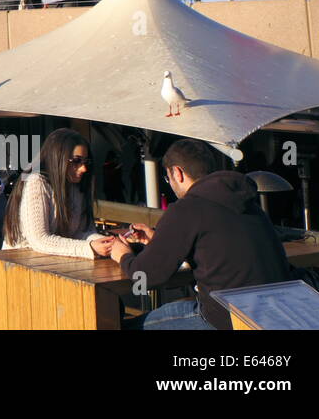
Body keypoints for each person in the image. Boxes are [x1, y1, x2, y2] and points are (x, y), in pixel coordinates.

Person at [111, 139, 292, 330]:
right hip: (275, 314)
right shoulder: (247, 203)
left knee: (123, 327)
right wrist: (158, 241)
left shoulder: (187, 208)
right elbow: (217, 247)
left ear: (177, 173)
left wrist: (122, 254)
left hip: (226, 320)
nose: (170, 184)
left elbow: (146, 275)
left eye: (168, 178)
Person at [2, 127, 114, 258]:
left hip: (54, 264)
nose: (84, 168)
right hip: (19, 266)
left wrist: (109, 243)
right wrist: (89, 247)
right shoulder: (37, 182)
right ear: (57, 158)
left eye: (86, 162)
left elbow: (81, 232)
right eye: (76, 161)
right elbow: (40, 240)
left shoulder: (77, 186)